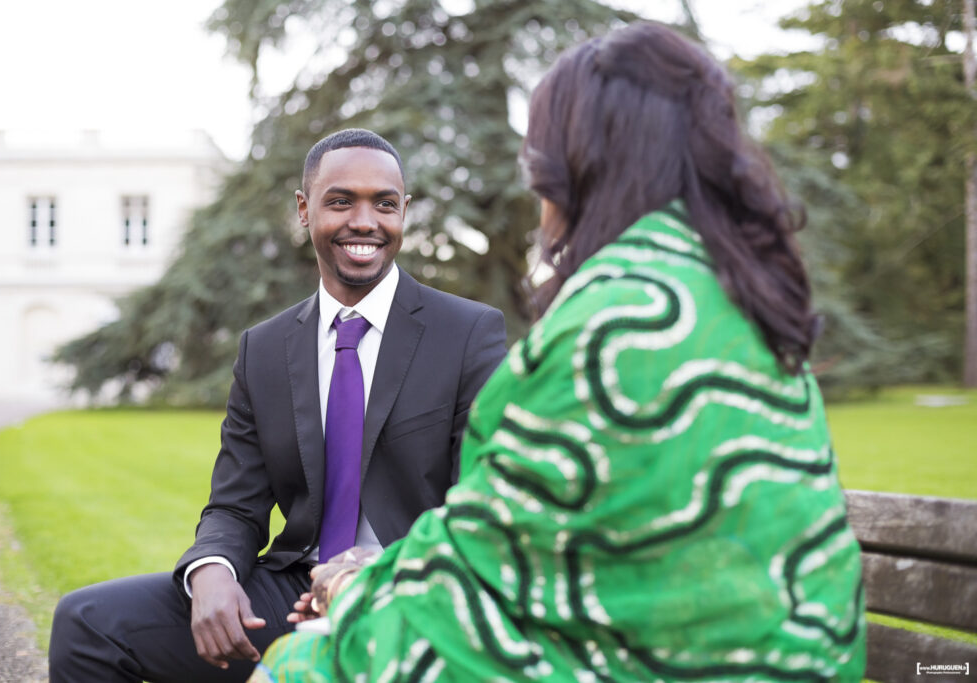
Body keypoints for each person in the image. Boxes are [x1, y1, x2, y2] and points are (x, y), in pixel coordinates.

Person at [251, 22, 866, 682]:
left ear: (572, 176)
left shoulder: (609, 326)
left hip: (670, 663)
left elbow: (473, 573)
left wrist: (351, 587)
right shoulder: (736, 290)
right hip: (795, 652)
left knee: (304, 660)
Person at [48, 128, 507, 683]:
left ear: (404, 213)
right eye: (341, 201)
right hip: (292, 594)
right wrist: (211, 571)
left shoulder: (467, 334)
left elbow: (480, 506)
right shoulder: (263, 349)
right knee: (88, 623)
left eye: (384, 204)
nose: (365, 221)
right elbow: (235, 506)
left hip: (414, 589)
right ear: (304, 210)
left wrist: (380, 570)